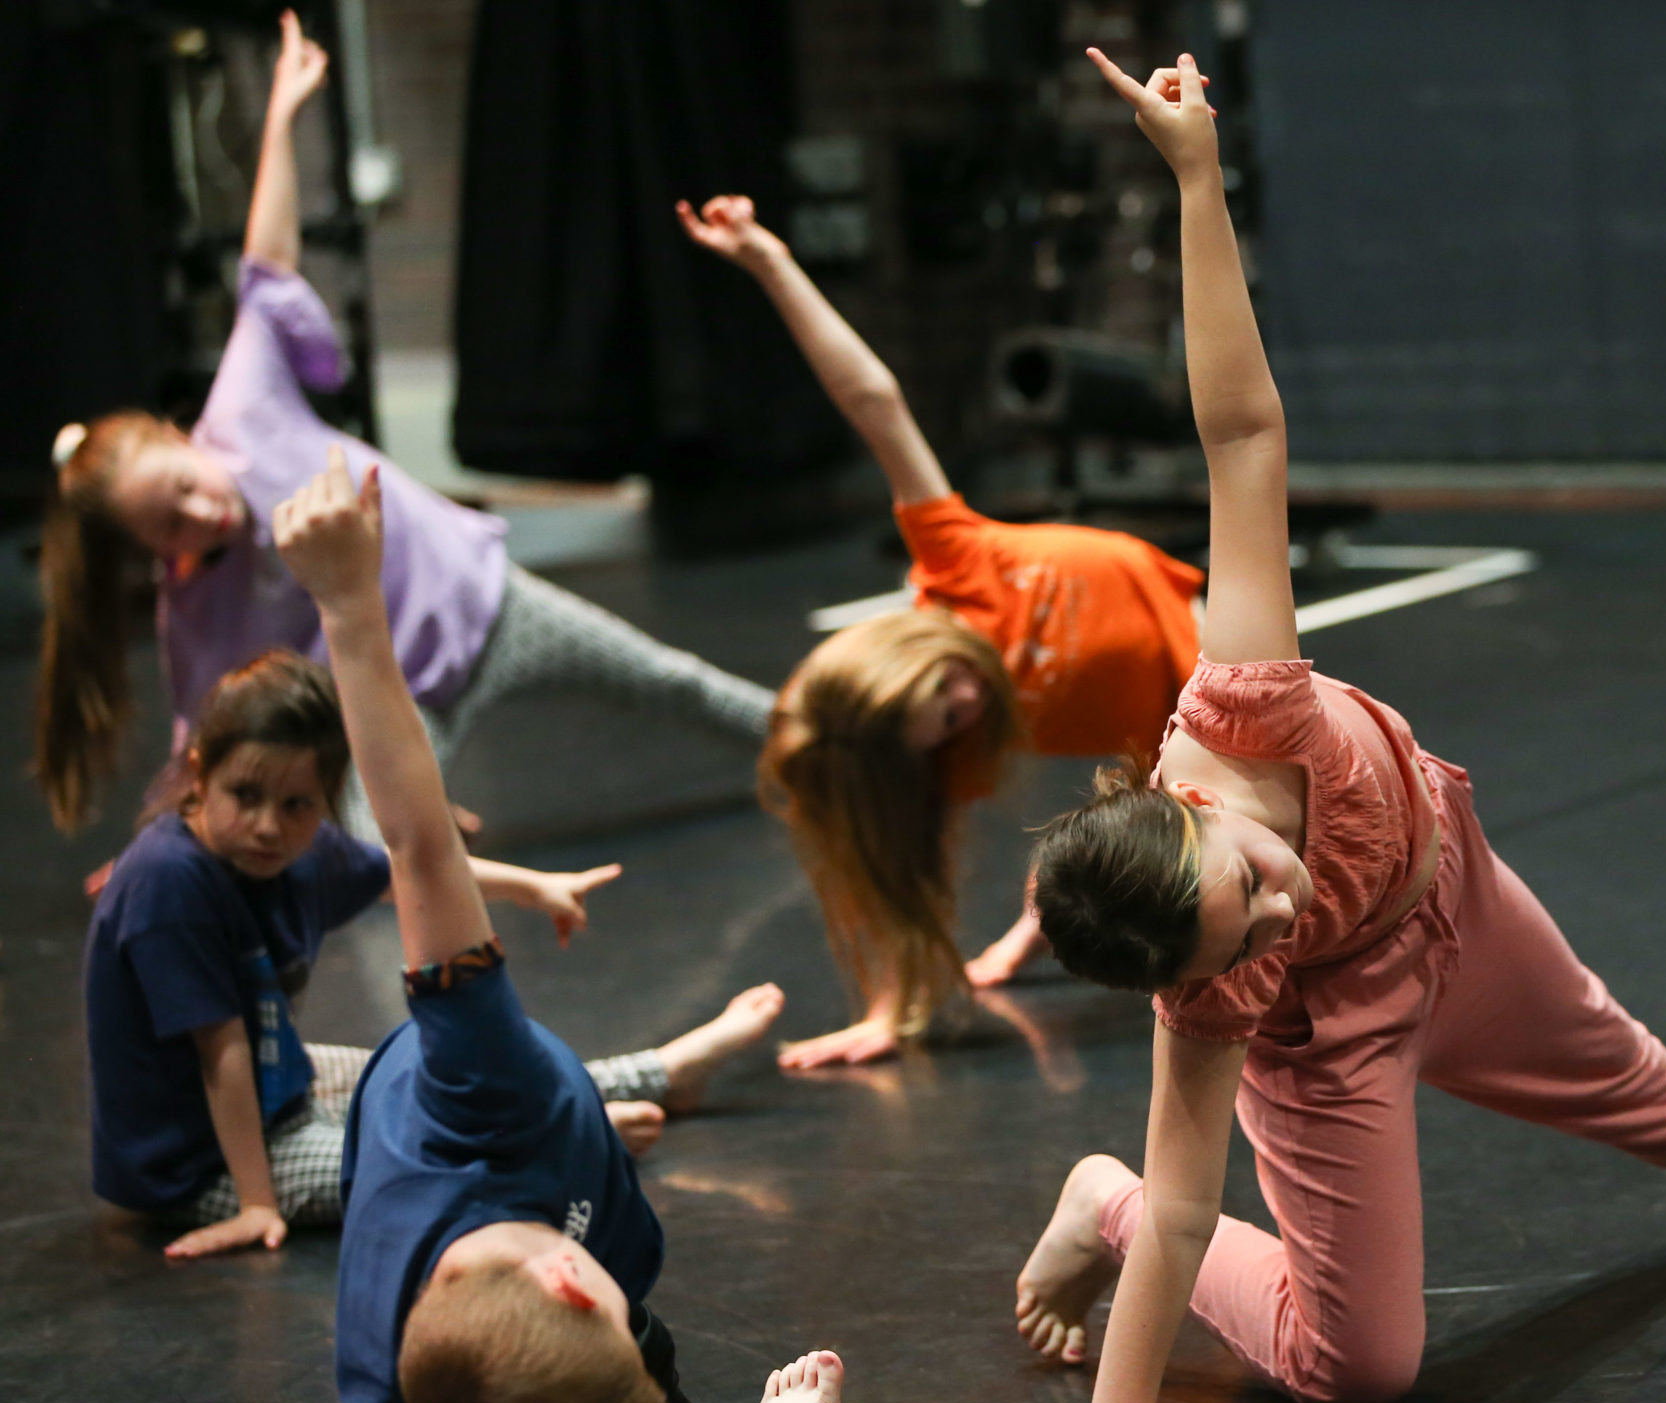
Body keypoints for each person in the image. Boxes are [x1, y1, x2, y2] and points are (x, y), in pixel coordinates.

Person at [1011, 49, 1666, 1403]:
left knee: (1606, 1049)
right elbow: (1194, 1198)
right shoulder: (1227, 997)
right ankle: (1083, 1199)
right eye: (1245, 937)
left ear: (1193, 801)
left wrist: (1196, 179)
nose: (1276, 908)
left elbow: (1241, 433)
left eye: (1249, 885)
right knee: (1357, 1366)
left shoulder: (1242, 696)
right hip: (1347, 1027)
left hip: (1454, 885)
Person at [221, 450, 842, 1403]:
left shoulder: (478, 1076)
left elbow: (413, 835)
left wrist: (350, 601)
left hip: (519, 1169)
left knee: (634, 1378)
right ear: (576, 1283)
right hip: (519, 1290)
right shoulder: (400, 1400)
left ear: (572, 1288)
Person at [36, 11, 773, 846]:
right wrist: (158, 850)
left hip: (485, 604)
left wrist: (280, 119)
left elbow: (266, 264)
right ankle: (428, 832)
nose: (200, 513)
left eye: (185, 490)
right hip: (402, 695)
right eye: (170, 526)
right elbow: (207, 734)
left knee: (670, 679)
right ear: (154, 551)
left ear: (184, 441)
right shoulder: (197, 607)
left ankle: (822, 740)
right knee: (366, 848)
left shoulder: (243, 415)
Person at [677, 194, 1205, 1066]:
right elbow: (907, 879)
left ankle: (1030, 929)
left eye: (944, 691)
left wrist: (769, 262)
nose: (969, 697)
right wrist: (894, 1008)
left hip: (1188, 622)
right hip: (1162, 725)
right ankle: (1027, 931)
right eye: (952, 719)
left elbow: (871, 397)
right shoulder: (945, 748)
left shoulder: (954, 565)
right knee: (1127, 852)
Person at [83, 648, 785, 1260]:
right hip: (203, 1164)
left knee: (466, 1074)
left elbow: (406, 872)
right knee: (429, 1162)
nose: (269, 825)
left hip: (276, 1083)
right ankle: (570, 1135)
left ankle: (661, 1074)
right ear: (200, 774)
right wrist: (257, 1204)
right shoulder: (167, 883)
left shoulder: (297, 845)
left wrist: (534, 886)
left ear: (325, 799)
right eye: (245, 796)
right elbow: (221, 1053)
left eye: (297, 804)